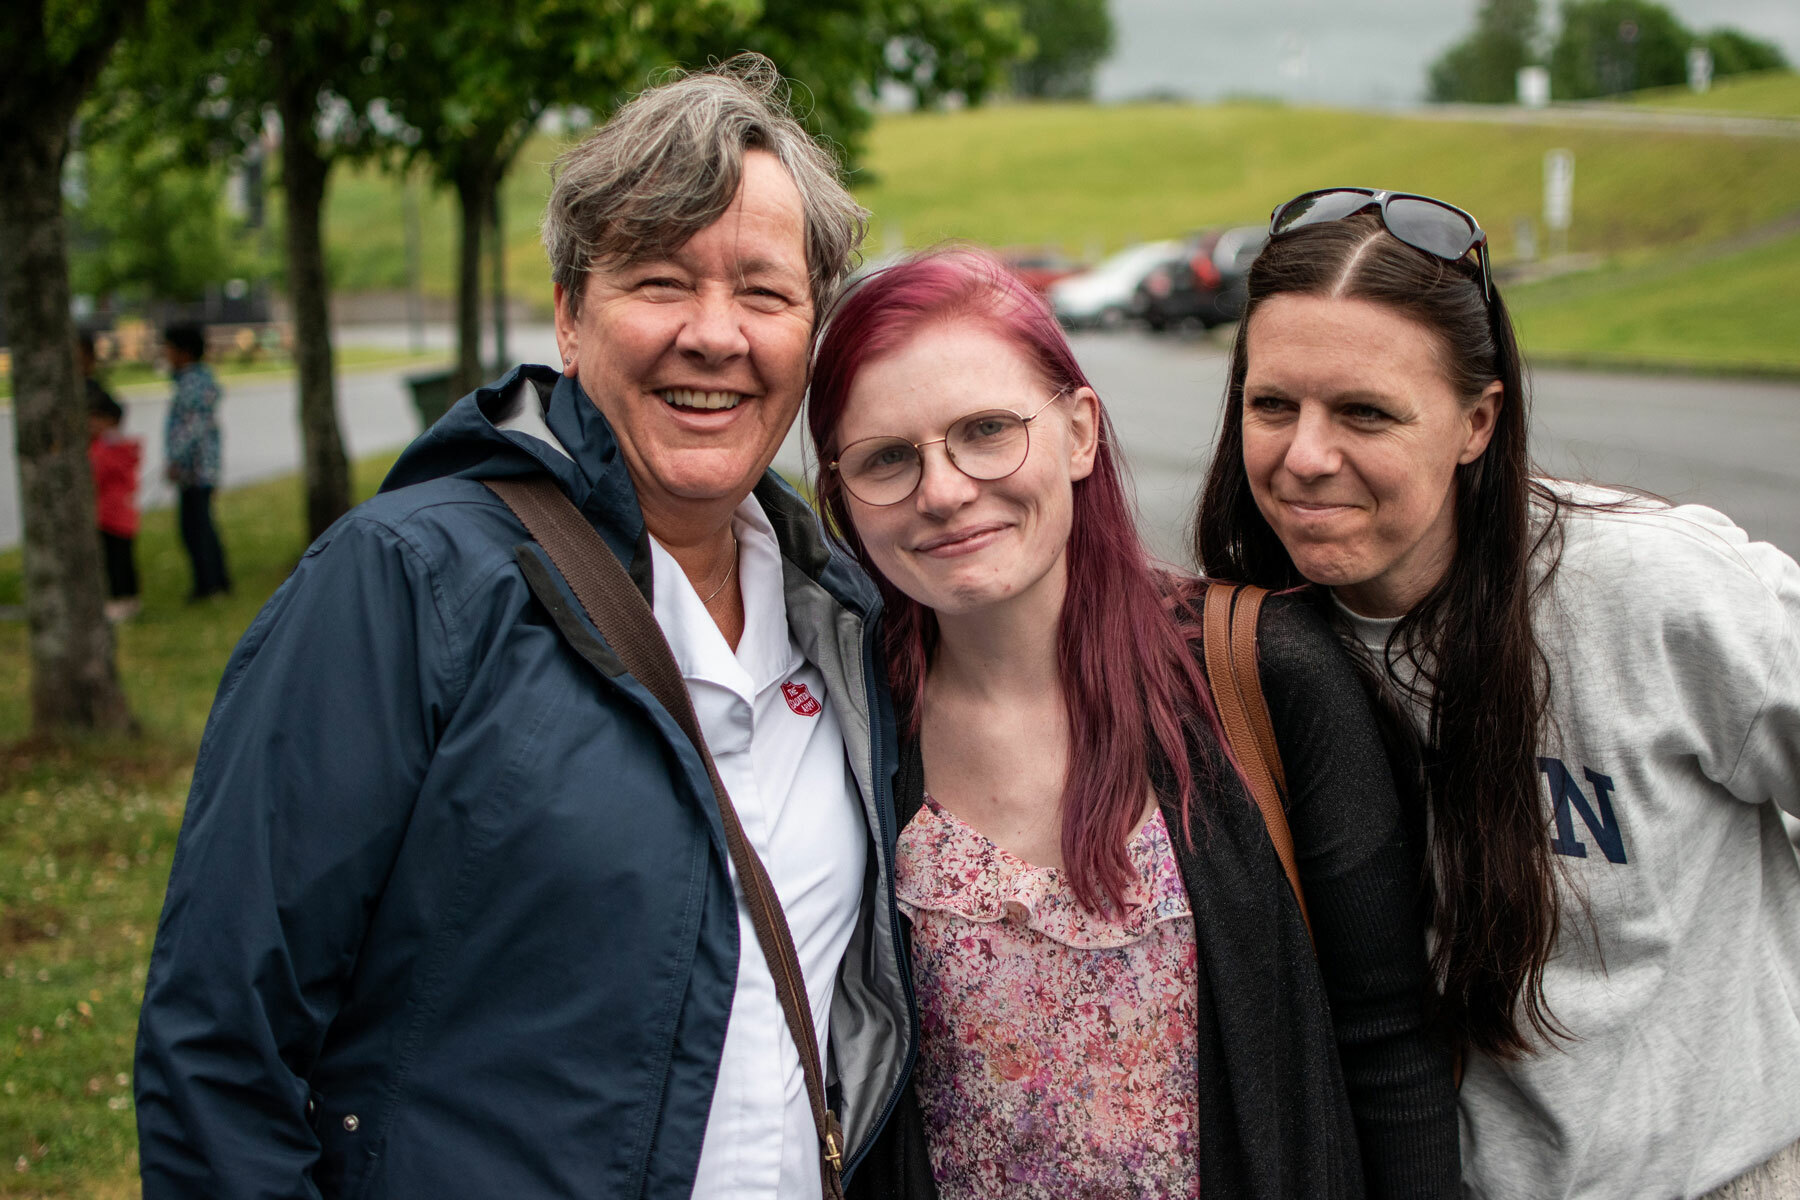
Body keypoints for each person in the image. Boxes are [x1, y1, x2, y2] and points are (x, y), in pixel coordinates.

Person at [134, 56, 912, 1199]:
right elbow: (217, 1048)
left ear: (811, 331)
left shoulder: (845, 618)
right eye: (659, 281)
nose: (715, 334)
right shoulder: (406, 584)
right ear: (568, 314)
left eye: (762, 292)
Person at [808, 248, 1460, 1200]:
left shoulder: (1267, 678)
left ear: (1078, 432)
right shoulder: (845, 729)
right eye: (888, 459)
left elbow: (1391, 1050)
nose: (943, 489)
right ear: (839, 495)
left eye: (987, 431)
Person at [1194, 188, 1800, 1200]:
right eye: (1272, 405)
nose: (1304, 457)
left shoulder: (1658, 592)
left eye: (1366, 412)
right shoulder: (1244, 651)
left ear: (1476, 422)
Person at [161, 320, 230, 600]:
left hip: (196, 469)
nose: (165, 355)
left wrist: (176, 459)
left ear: (184, 352)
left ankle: (210, 585)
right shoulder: (197, 380)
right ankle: (213, 582)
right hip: (201, 467)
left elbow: (191, 428)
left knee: (196, 528)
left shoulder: (191, 384)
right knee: (198, 526)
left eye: (168, 349)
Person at [82, 333, 142, 621]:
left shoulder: (107, 449)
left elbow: (101, 475)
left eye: (95, 419)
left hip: (113, 514)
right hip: (117, 512)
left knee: (118, 560)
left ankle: (124, 599)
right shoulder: (115, 446)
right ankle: (124, 598)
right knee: (117, 559)